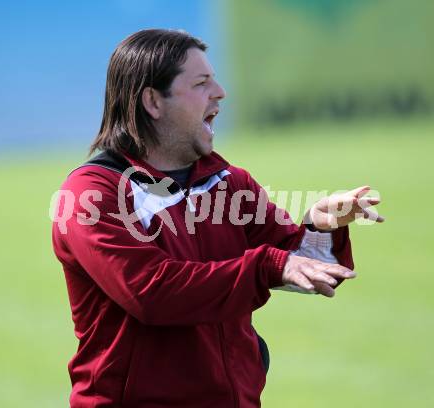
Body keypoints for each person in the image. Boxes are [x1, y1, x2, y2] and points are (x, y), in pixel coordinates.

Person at [52, 29, 383, 408]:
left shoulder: (229, 183)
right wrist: (268, 265)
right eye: (201, 83)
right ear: (153, 101)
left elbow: (306, 268)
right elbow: (152, 292)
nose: (220, 92)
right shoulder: (90, 193)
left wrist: (321, 229)